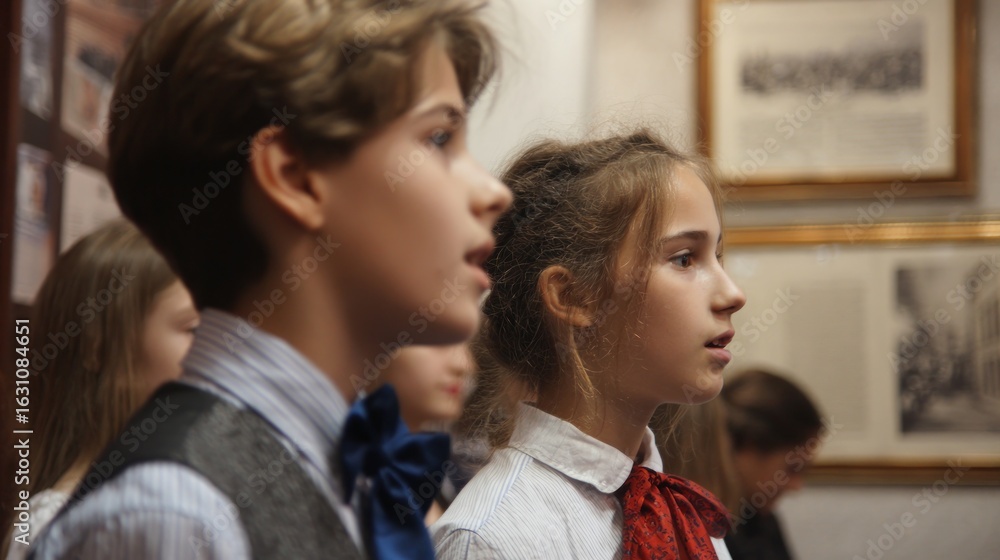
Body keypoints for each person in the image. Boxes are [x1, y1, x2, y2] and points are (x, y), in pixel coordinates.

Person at [30, 0, 512, 558]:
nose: (494, 192)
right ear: (295, 178)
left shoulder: (347, 467)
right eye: (438, 138)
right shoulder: (177, 513)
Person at [433, 129, 747, 559]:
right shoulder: (491, 539)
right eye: (684, 258)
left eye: (718, 256)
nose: (733, 294)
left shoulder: (683, 518)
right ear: (573, 297)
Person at [4, 219, 198, 560]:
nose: (218, 349)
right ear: (100, 348)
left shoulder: (184, 491)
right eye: (194, 329)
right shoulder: (60, 526)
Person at [659, 368, 824, 560]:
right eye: (792, 468)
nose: (797, 486)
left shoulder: (762, 520)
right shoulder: (693, 531)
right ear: (747, 446)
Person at [372, 343, 475, 525]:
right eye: (436, 341)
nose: (464, 366)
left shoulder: (446, 473)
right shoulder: (350, 474)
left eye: (467, 346)